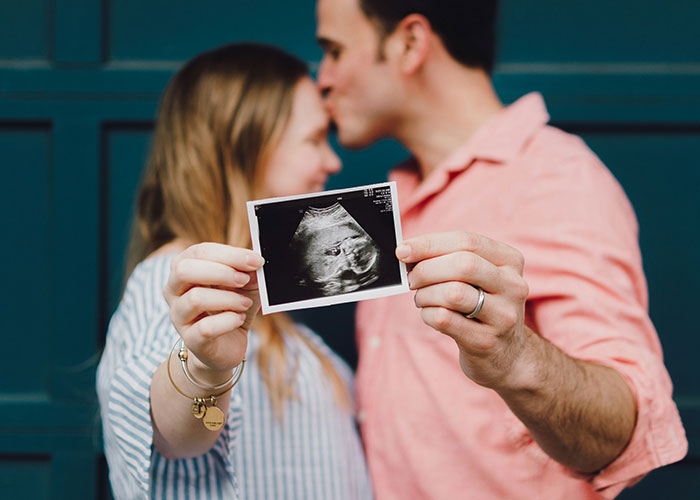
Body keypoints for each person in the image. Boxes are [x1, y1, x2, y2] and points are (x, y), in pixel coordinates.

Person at [315, 0, 687, 498]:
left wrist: (515, 359)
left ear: (409, 43)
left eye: (335, 50)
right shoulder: (392, 203)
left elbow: (623, 434)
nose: (323, 78)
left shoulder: (555, 179)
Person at [96, 42, 373, 500]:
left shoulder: (263, 307)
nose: (332, 161)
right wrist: (206, 366)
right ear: (244, 147)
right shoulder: (175, 284)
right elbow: (174, 434)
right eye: (314, 139)